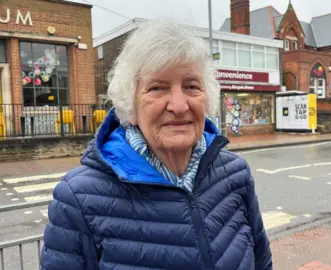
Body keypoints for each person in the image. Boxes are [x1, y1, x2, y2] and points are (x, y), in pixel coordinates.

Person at [40, 19, 272, 270]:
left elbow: (262, 261)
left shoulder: (236, 174)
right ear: (131, 105)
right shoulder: (77, 198)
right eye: (157, 88)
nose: (179, 105)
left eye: (191, 86)